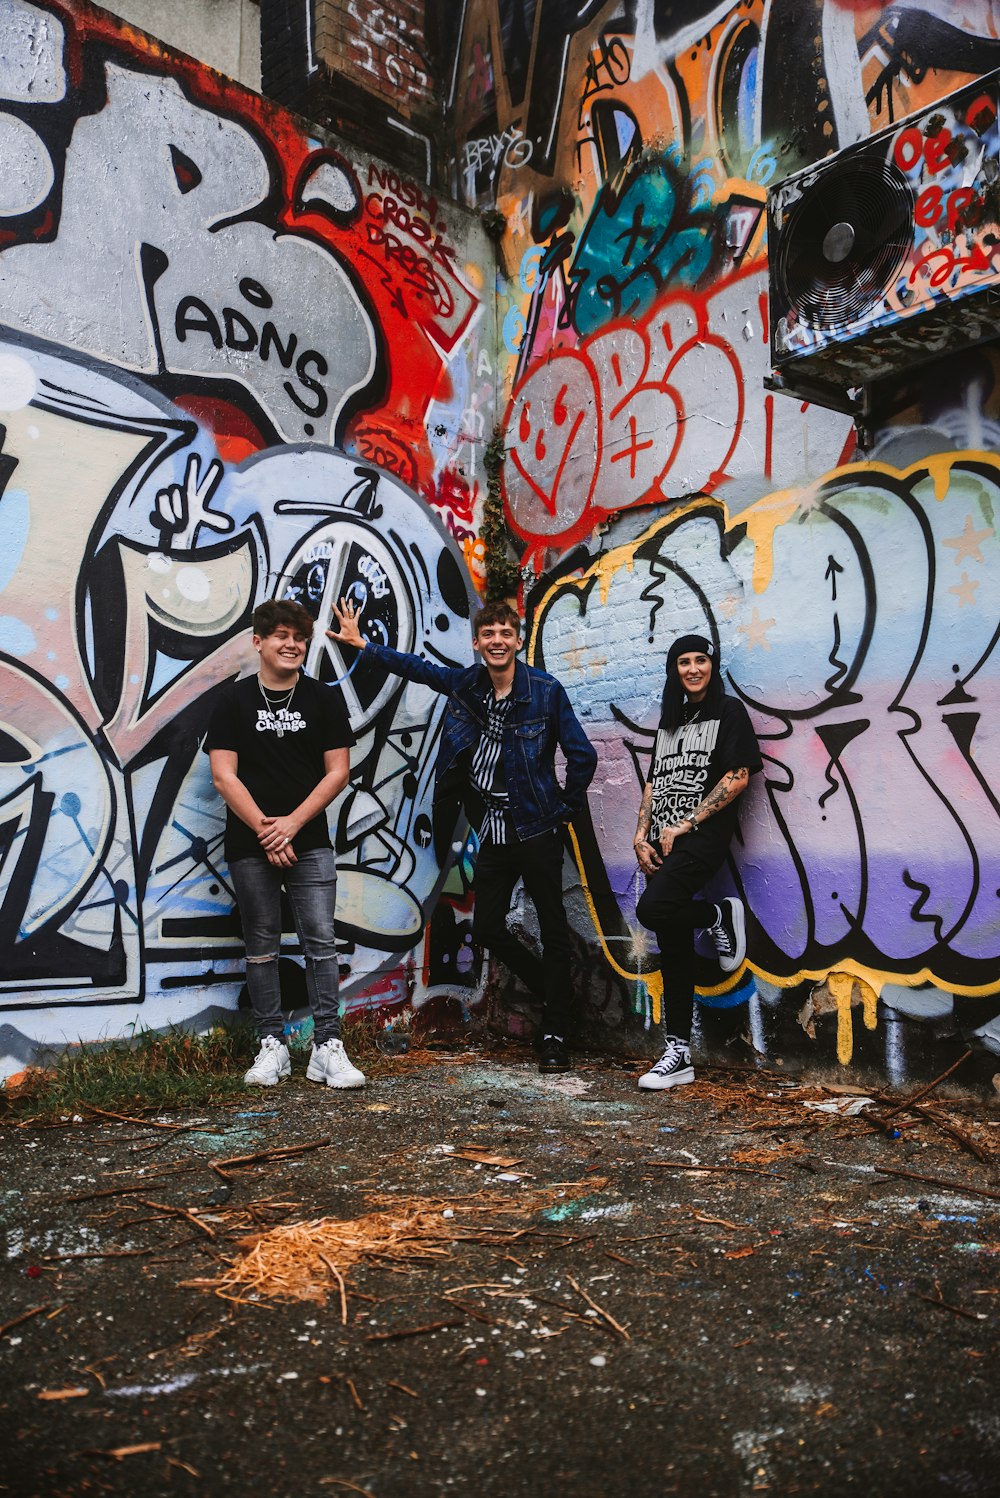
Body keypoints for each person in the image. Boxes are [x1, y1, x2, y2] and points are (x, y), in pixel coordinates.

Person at [328, 597, 597, 1072]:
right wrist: (364, 646)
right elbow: (418, 668)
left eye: (505, 633)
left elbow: (583, 756)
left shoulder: (546, 691)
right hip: (493, 831)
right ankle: (557, 994)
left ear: (517, 640)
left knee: (553, 929)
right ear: (477, 643)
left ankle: (554, 1031)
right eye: (488, 634)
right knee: (490, 927)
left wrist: (562, 812)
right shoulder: (468, 684)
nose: (497, 641)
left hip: (536, 831)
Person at [205, 599, 365, 1089]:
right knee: (261, 947)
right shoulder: (232, 702)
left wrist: (291, 825)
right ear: (259, 642)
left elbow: (339, 771)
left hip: (310, 840)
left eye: (299, 636)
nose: (292, 644)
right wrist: (265, 829)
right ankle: (271, 1045)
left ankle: (326, 1048)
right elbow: (222, 774)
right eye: (280, 635)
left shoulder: (322, 699)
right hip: (250, 842)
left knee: (320, 942)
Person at [633, 634, 761, 1091]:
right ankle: (678, 1052)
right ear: (674, 670)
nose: (692, 669)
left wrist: (687, 822)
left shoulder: (728, 713)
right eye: (683, 662)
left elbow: (740, 775)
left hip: (701, 836)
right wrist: (640, 834)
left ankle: (716, 913)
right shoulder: (669, 721)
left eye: (700, 661)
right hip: (664, 839)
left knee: (651, 909)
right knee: (670, 935)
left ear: (712, 665)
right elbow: (654, 781)